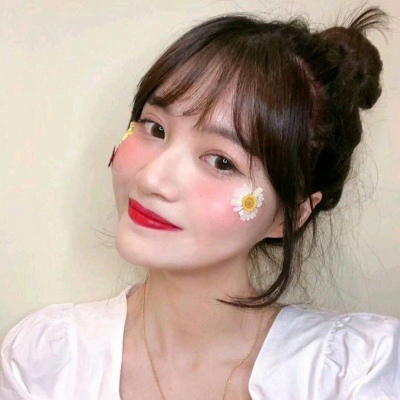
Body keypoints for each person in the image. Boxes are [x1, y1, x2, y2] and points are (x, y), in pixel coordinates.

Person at [1, 6, 399, 400]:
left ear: (291, 215)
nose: (152, 179)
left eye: (221, 161)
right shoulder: (48, 361)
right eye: (155, 128)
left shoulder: (351, 373)